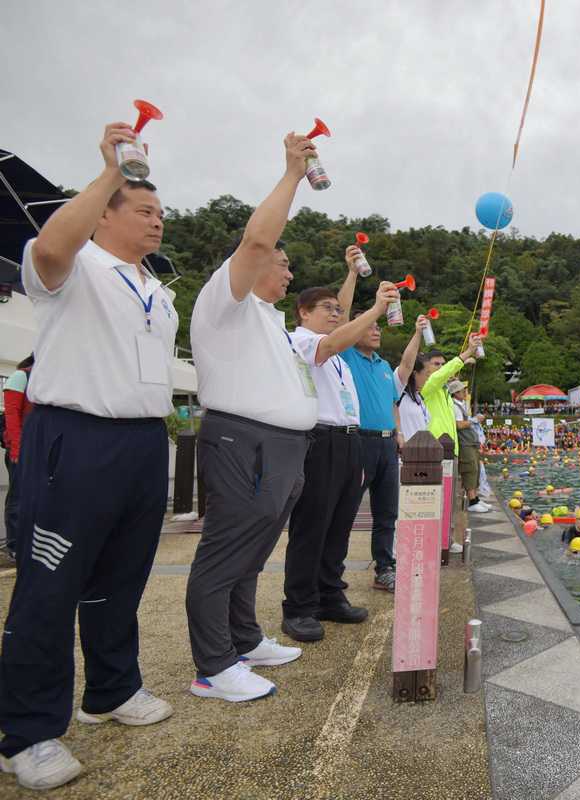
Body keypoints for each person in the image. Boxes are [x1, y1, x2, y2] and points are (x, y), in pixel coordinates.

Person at [0, 123, 177, 791]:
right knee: (51, 585)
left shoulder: (157, 291)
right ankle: (28, 731)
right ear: (104, 212)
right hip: (75, 439)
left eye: (161, 212)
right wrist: (109, 169)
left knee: (121, 579)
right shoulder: (73, 267)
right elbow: (48, 245)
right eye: (142, 210)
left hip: (138, 442)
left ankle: (111, 689)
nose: (157, 221)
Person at [185, 132, 329, 703]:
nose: (289, 272)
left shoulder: (268, 319)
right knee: (224, 552)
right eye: (283, 260)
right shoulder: (228, 299)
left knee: (251, 551)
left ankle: (243, 639)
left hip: (284, 446)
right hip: (243, 440)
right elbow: (256, 239)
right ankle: (212, 666)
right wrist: (294, 174)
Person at [281, 280, 399, 642]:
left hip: (350, 441)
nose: (335, 314)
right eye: (327, 309)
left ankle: (329, 593)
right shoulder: (301, 340)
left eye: (337, 309)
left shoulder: (339, 360)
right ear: (303, 312)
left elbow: (337, 340)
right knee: (312, 525)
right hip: (320, 439)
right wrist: (377, 309)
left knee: (339, 525)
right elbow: (332, 341)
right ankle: (299, 605)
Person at [335, 256, 429, 593]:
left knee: (387, 512)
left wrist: (417, 332)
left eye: (377, 325)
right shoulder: (345, 356)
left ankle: (384, 568)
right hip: (358, 442)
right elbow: (342, 318)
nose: (375, 329)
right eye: (369, 325)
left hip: (387, 445)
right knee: (344, 509)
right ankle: (332, 570)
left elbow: (405, 369)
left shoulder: (382, 366)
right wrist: (352, 273)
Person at [418, 335, 483, 553]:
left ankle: (445, 537)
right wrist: (466, 354)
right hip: (435, 450)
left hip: (450, 450)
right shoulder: (428, 386)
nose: (440, 368)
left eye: (442, 364)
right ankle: (434, 540)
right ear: (425, 368)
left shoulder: (444, 391)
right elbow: (442, 375)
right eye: (436, 364)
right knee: (433, 500)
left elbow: (447, 375)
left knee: (450, 499)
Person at [2, 354, 34, 562]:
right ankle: (13, 545)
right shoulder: (20, 376)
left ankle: (28, 543)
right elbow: (11, 415)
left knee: (33, 499)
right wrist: (16, 449)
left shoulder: (43, 381)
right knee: (18, 498)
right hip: (19, 451)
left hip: (36, 450)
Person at [450, 380, 489, 513]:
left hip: (471, 442)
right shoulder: (454, 406)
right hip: (464, 443)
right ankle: (472, 501)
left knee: (476, 469)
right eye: (462, 390)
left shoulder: (461, 404)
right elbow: (458, 424)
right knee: (469, 469)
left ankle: (476, 499)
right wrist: (474, 420)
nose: (465, 392)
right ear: (455, 393)